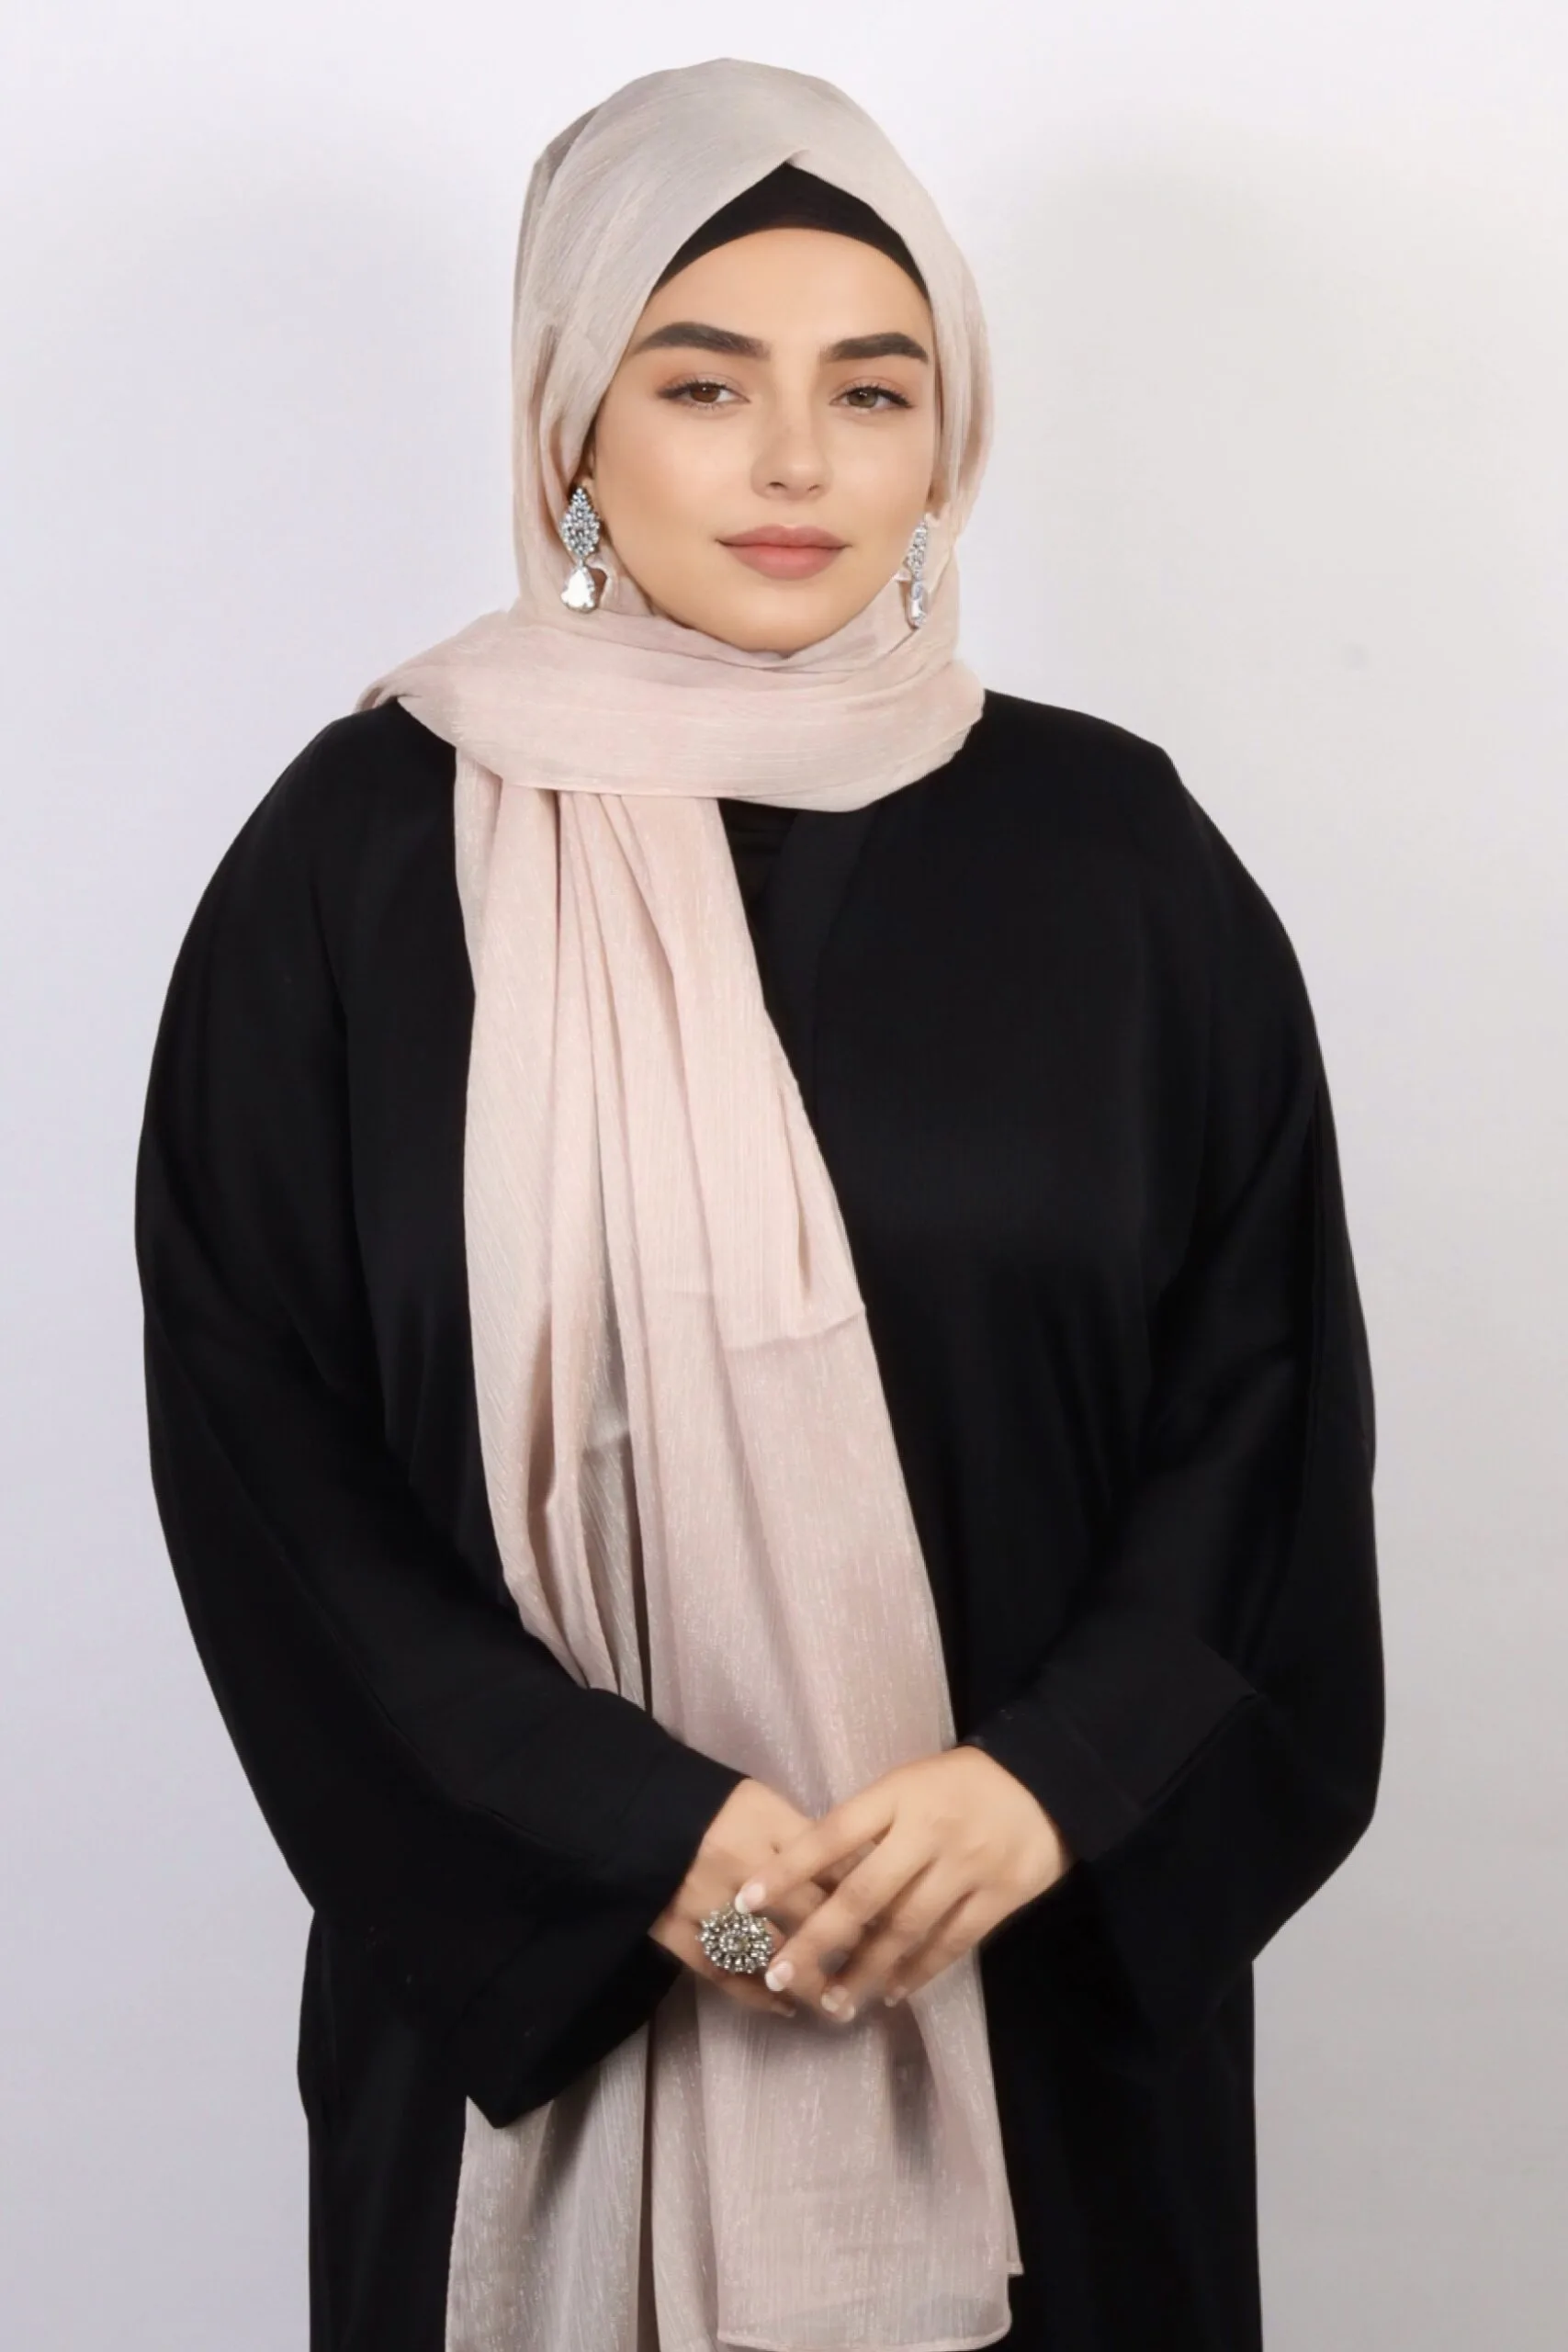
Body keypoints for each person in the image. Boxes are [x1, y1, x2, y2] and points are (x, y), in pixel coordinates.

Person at [134, 54, 1384, 2352]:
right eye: (704, 383)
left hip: (1028, 2008)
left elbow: (1261, 1406)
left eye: (871, 389)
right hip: (531, 2032)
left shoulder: (1120, 863)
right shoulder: (356, 868)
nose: (796, 460)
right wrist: (645, 1851)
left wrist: (1045, 1790)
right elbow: (268, 1464)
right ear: (571, 424)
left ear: (946, 438)